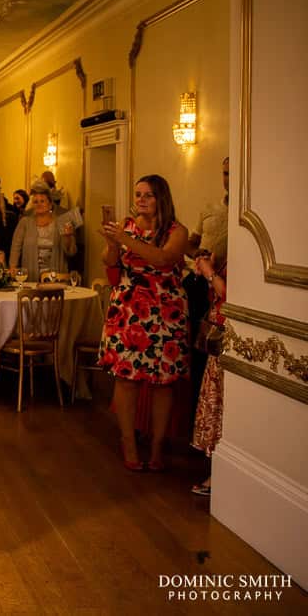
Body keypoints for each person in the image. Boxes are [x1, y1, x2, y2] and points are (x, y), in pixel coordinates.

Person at [98, 174, 189, 472]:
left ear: (161, 198)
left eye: (148, 195)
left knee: (163, 382)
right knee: (127, 379)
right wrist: (113, 243)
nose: (141, 200)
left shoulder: (177, 231)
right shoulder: (126, 227)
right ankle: (129, 442)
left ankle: (158, 444)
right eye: (138, 194)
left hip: (166, 312)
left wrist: (126, 239)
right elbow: (110, 262)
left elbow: (164, 258)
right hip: (128, 310)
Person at [184, 156, 229, 425]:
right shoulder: (210, 209)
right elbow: (191, 242)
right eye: (225, 173)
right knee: (199, 352)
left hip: (229, 288)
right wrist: (196, 254)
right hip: (201, 286)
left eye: (234, 173)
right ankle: (197, 418)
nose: (229, 179)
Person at [191, 254, 226, 497]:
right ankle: (218, 470)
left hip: (228, 339)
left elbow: (229, 295)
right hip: (217, 339)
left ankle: (221, 474)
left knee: (221, 408)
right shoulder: (229, 257)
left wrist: (210, 274)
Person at [9, 181, 77, 282]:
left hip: (55, 276)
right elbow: (16, 246)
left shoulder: (61, 222)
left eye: (42, 201)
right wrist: (13, 268)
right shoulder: (25, 222)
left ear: (50, 204)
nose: (39, 204)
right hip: (30, 275)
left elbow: (70, 252)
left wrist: (68, 237)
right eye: (36, 202)